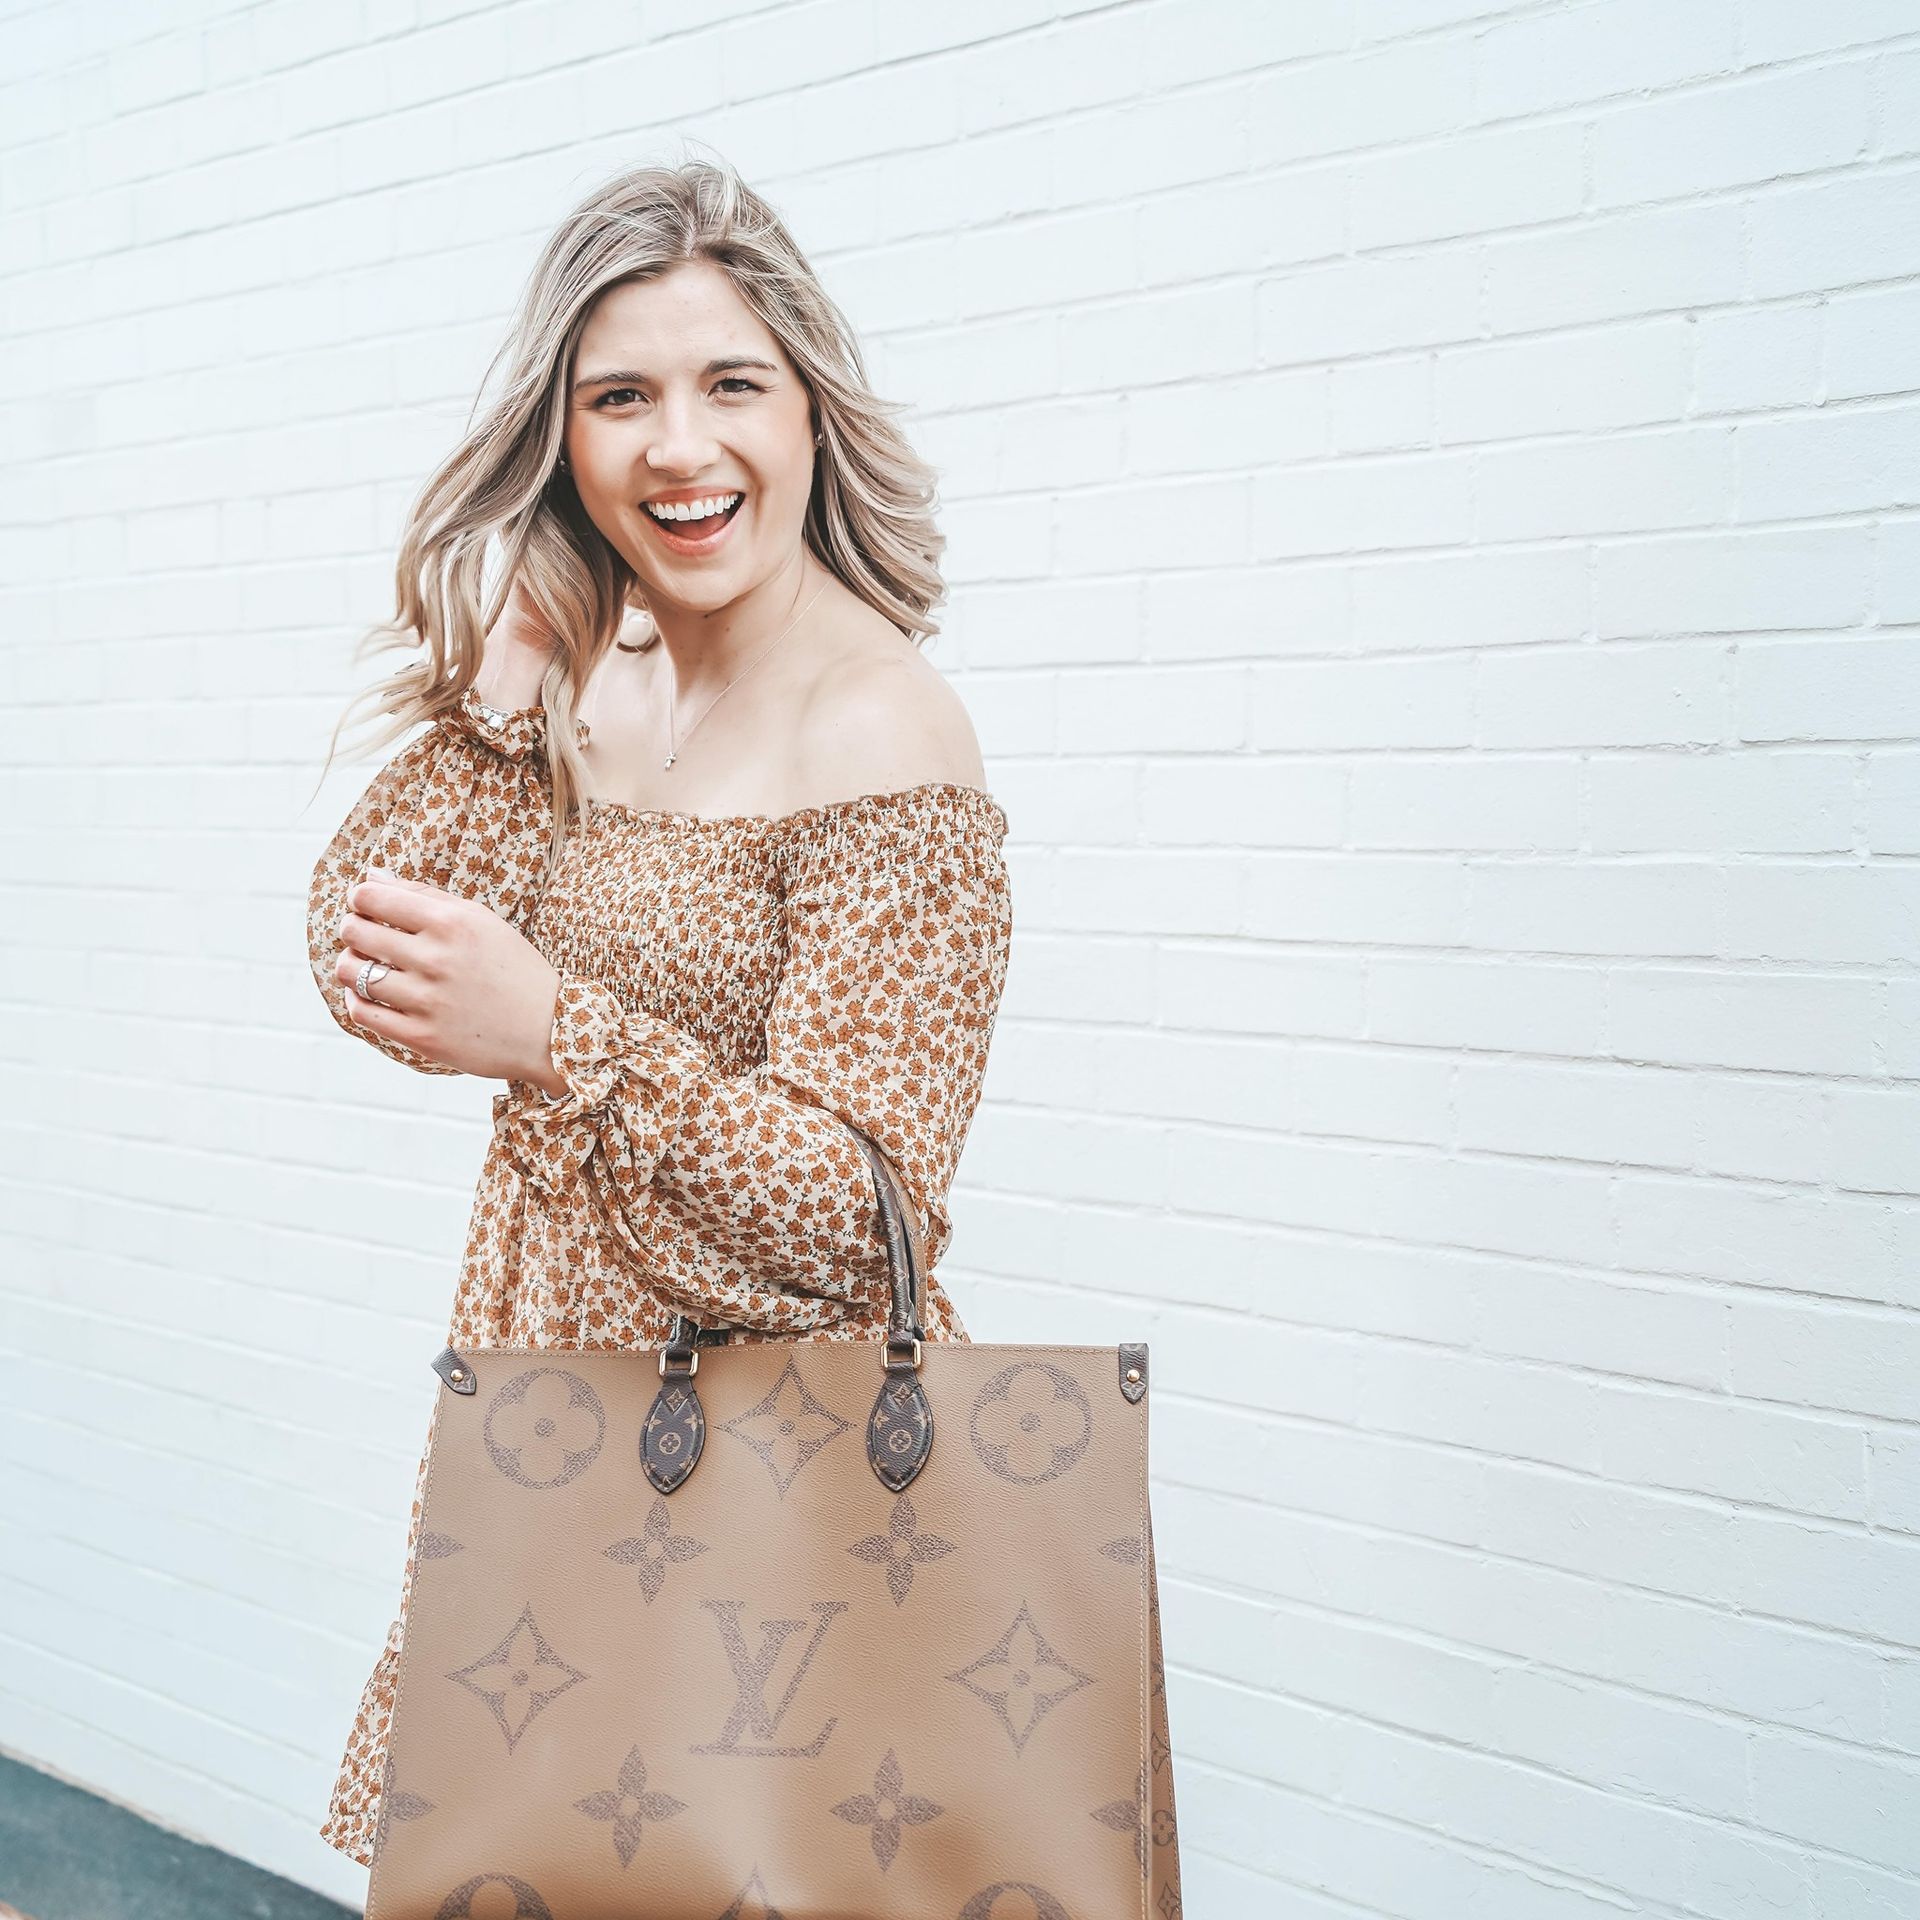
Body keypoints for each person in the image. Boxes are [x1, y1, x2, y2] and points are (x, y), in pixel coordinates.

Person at [303, 156, 1013, 1869]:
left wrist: (562, 1034)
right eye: (621, 397)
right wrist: (518, 662)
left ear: (811, 415)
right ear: (565, 438)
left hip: (775, 1474)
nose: (678, 448)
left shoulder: (885, 732)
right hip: (552, 1429)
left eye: (729, 386)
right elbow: (360, 944)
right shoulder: (599, 676)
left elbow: (865, 1215)